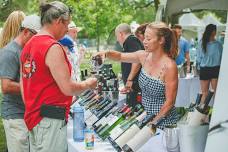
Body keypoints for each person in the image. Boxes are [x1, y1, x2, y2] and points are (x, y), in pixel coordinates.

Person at [20, 1, 97, 152]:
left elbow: (24, 83)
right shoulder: (52, 47)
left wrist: (32, 107)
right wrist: (88, 83)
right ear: (58, 21)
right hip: (50, 121)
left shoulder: (29, 45)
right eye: (66, 24)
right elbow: (68, 88)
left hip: (35, 118)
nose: (67, 29)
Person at [95, 22, 178, 128]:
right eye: (144, 38)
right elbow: (120, 56)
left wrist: (153, 123)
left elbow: (170, 102)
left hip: (163, 123)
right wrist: (105, 53)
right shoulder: (144, 56)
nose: (144, 42)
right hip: (146, 118)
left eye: (148, 39)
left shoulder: (170, 66)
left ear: (161, 40)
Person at [0, 14, 41, 152]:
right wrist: (34, 88)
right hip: (15, 116)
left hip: (27, 114)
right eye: (35, 36)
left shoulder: (26, 50)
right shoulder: (10, 52)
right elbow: (6, 86)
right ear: (25, 32)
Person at [115, 23, 144, 108]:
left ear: (121, 33)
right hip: (132, 86)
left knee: (135, 109)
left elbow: (137, 60)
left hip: (135, 86)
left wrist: (130, 79)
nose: (117, 39)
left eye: (117, 36)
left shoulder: (131, 40)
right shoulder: (129, 42)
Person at [197, 24, 223, 105]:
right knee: (216, 94)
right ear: (214, 32)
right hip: (215, 69)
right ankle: (216, 117)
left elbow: (198, 58)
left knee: (204, 93)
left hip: (204, 69)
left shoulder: (202, 43)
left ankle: (201, 117)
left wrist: (199, 67)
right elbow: (221, 58)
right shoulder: (218, 44)